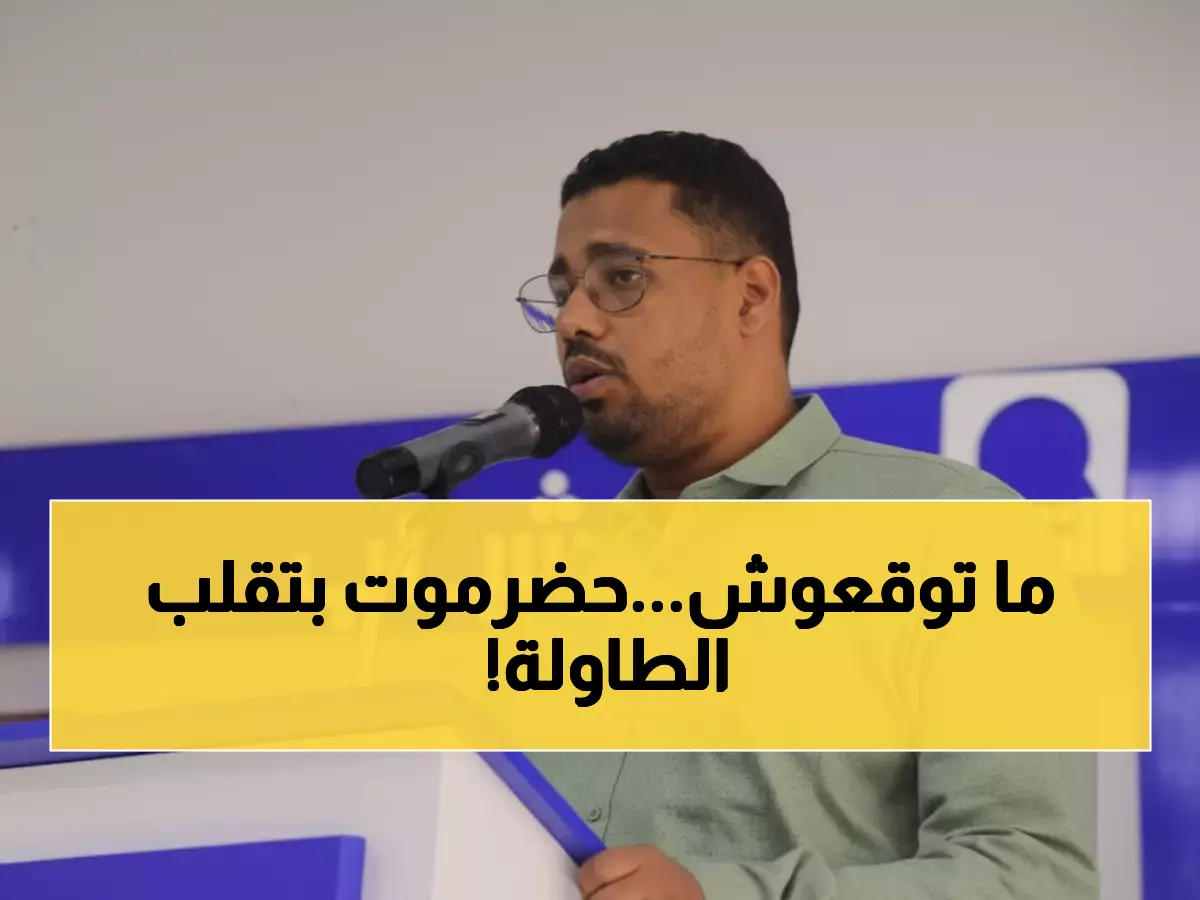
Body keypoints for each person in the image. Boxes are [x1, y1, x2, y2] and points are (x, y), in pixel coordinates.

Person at [517, 132, 1097, 900]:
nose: (573, 322)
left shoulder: (952, 531)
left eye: (622, 278)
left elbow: (1037, 879)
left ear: (752, 296)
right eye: (563, 293)